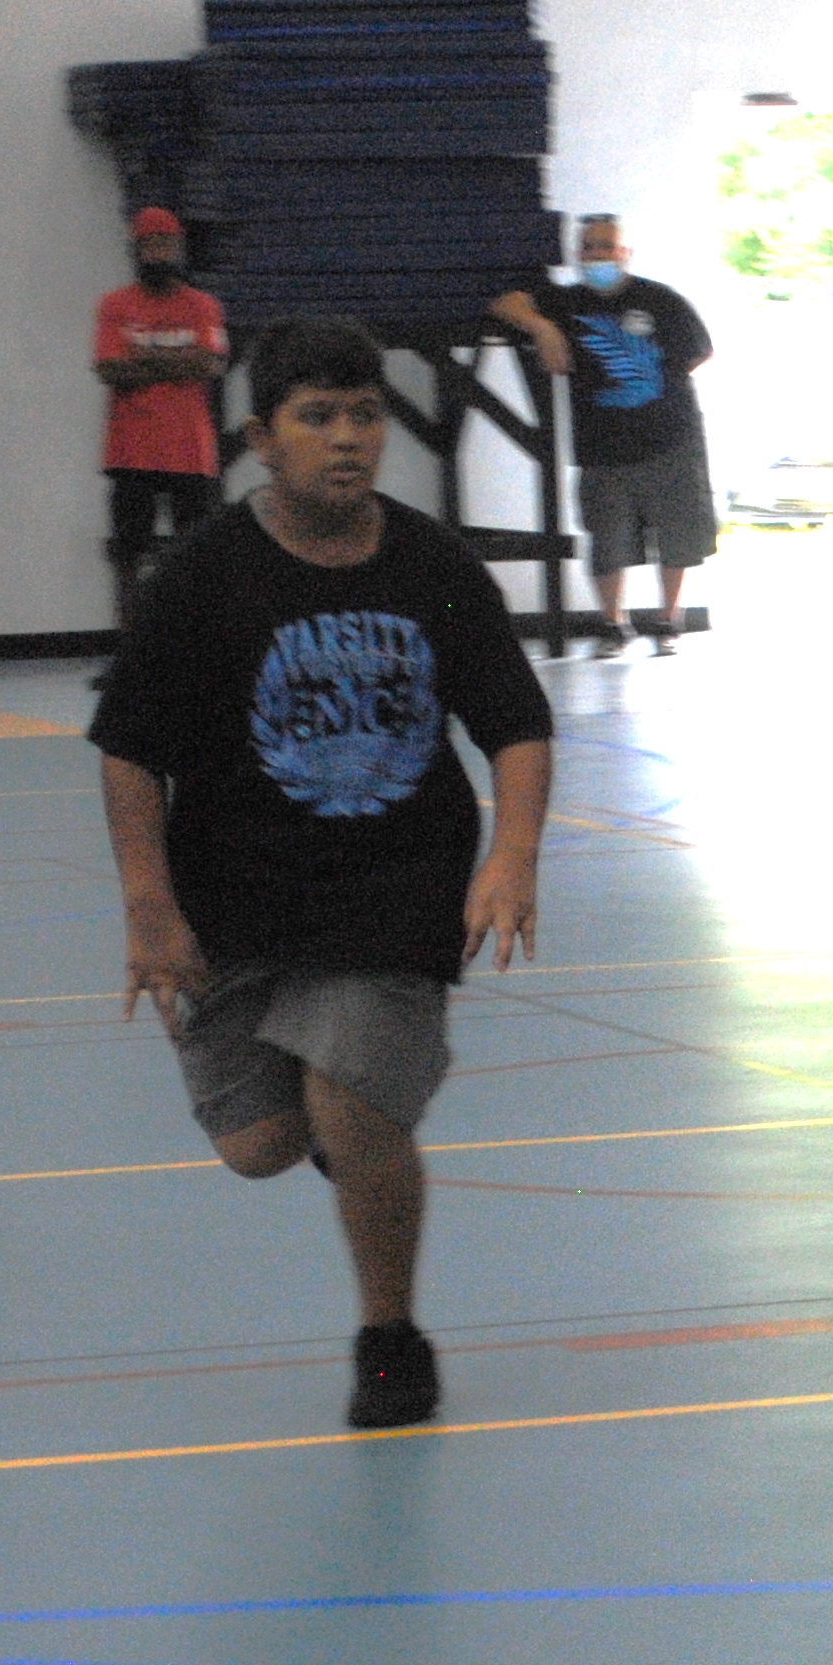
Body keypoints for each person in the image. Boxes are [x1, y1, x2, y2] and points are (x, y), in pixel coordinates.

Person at [89, 316, 554, 1431]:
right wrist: (151, 911)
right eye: (318, 417)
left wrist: (512, 854)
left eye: (366, 416)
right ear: (261, 437)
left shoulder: (432, 564)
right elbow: (128, 747)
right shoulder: (203, 573)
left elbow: (516, 722)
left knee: (351, 1107)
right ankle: (366, 1147)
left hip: (396, 885)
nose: (348, 440)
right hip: (238, 895)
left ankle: (390, 1337)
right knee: (259, 1146)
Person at [489, 214, 718, 659]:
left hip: (670, 439)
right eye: (590, 247)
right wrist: (544, 328)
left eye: (608, 246)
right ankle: (614, 627)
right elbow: (505, 305)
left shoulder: (659, 300)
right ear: (579, 254)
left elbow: (700, 350)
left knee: (677, 536)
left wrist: (648, 384)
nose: (599, 255)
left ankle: (668, 622)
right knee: (607, 540)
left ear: (625, 253)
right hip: (602, 447)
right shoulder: (563, 302)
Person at [93, 206, 226, 641]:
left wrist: (145, 358)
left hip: (190, 452)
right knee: (128, 554)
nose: (157, 253)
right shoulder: (114, 305)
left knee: (195, 557)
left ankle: (193, 648)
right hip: (130, 451)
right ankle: (130, 654)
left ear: (178, 249)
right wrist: (177, 362)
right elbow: (111, 370)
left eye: (165, 244)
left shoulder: (203, 306)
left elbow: (209, 363)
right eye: (149, 245)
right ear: (135, 250)